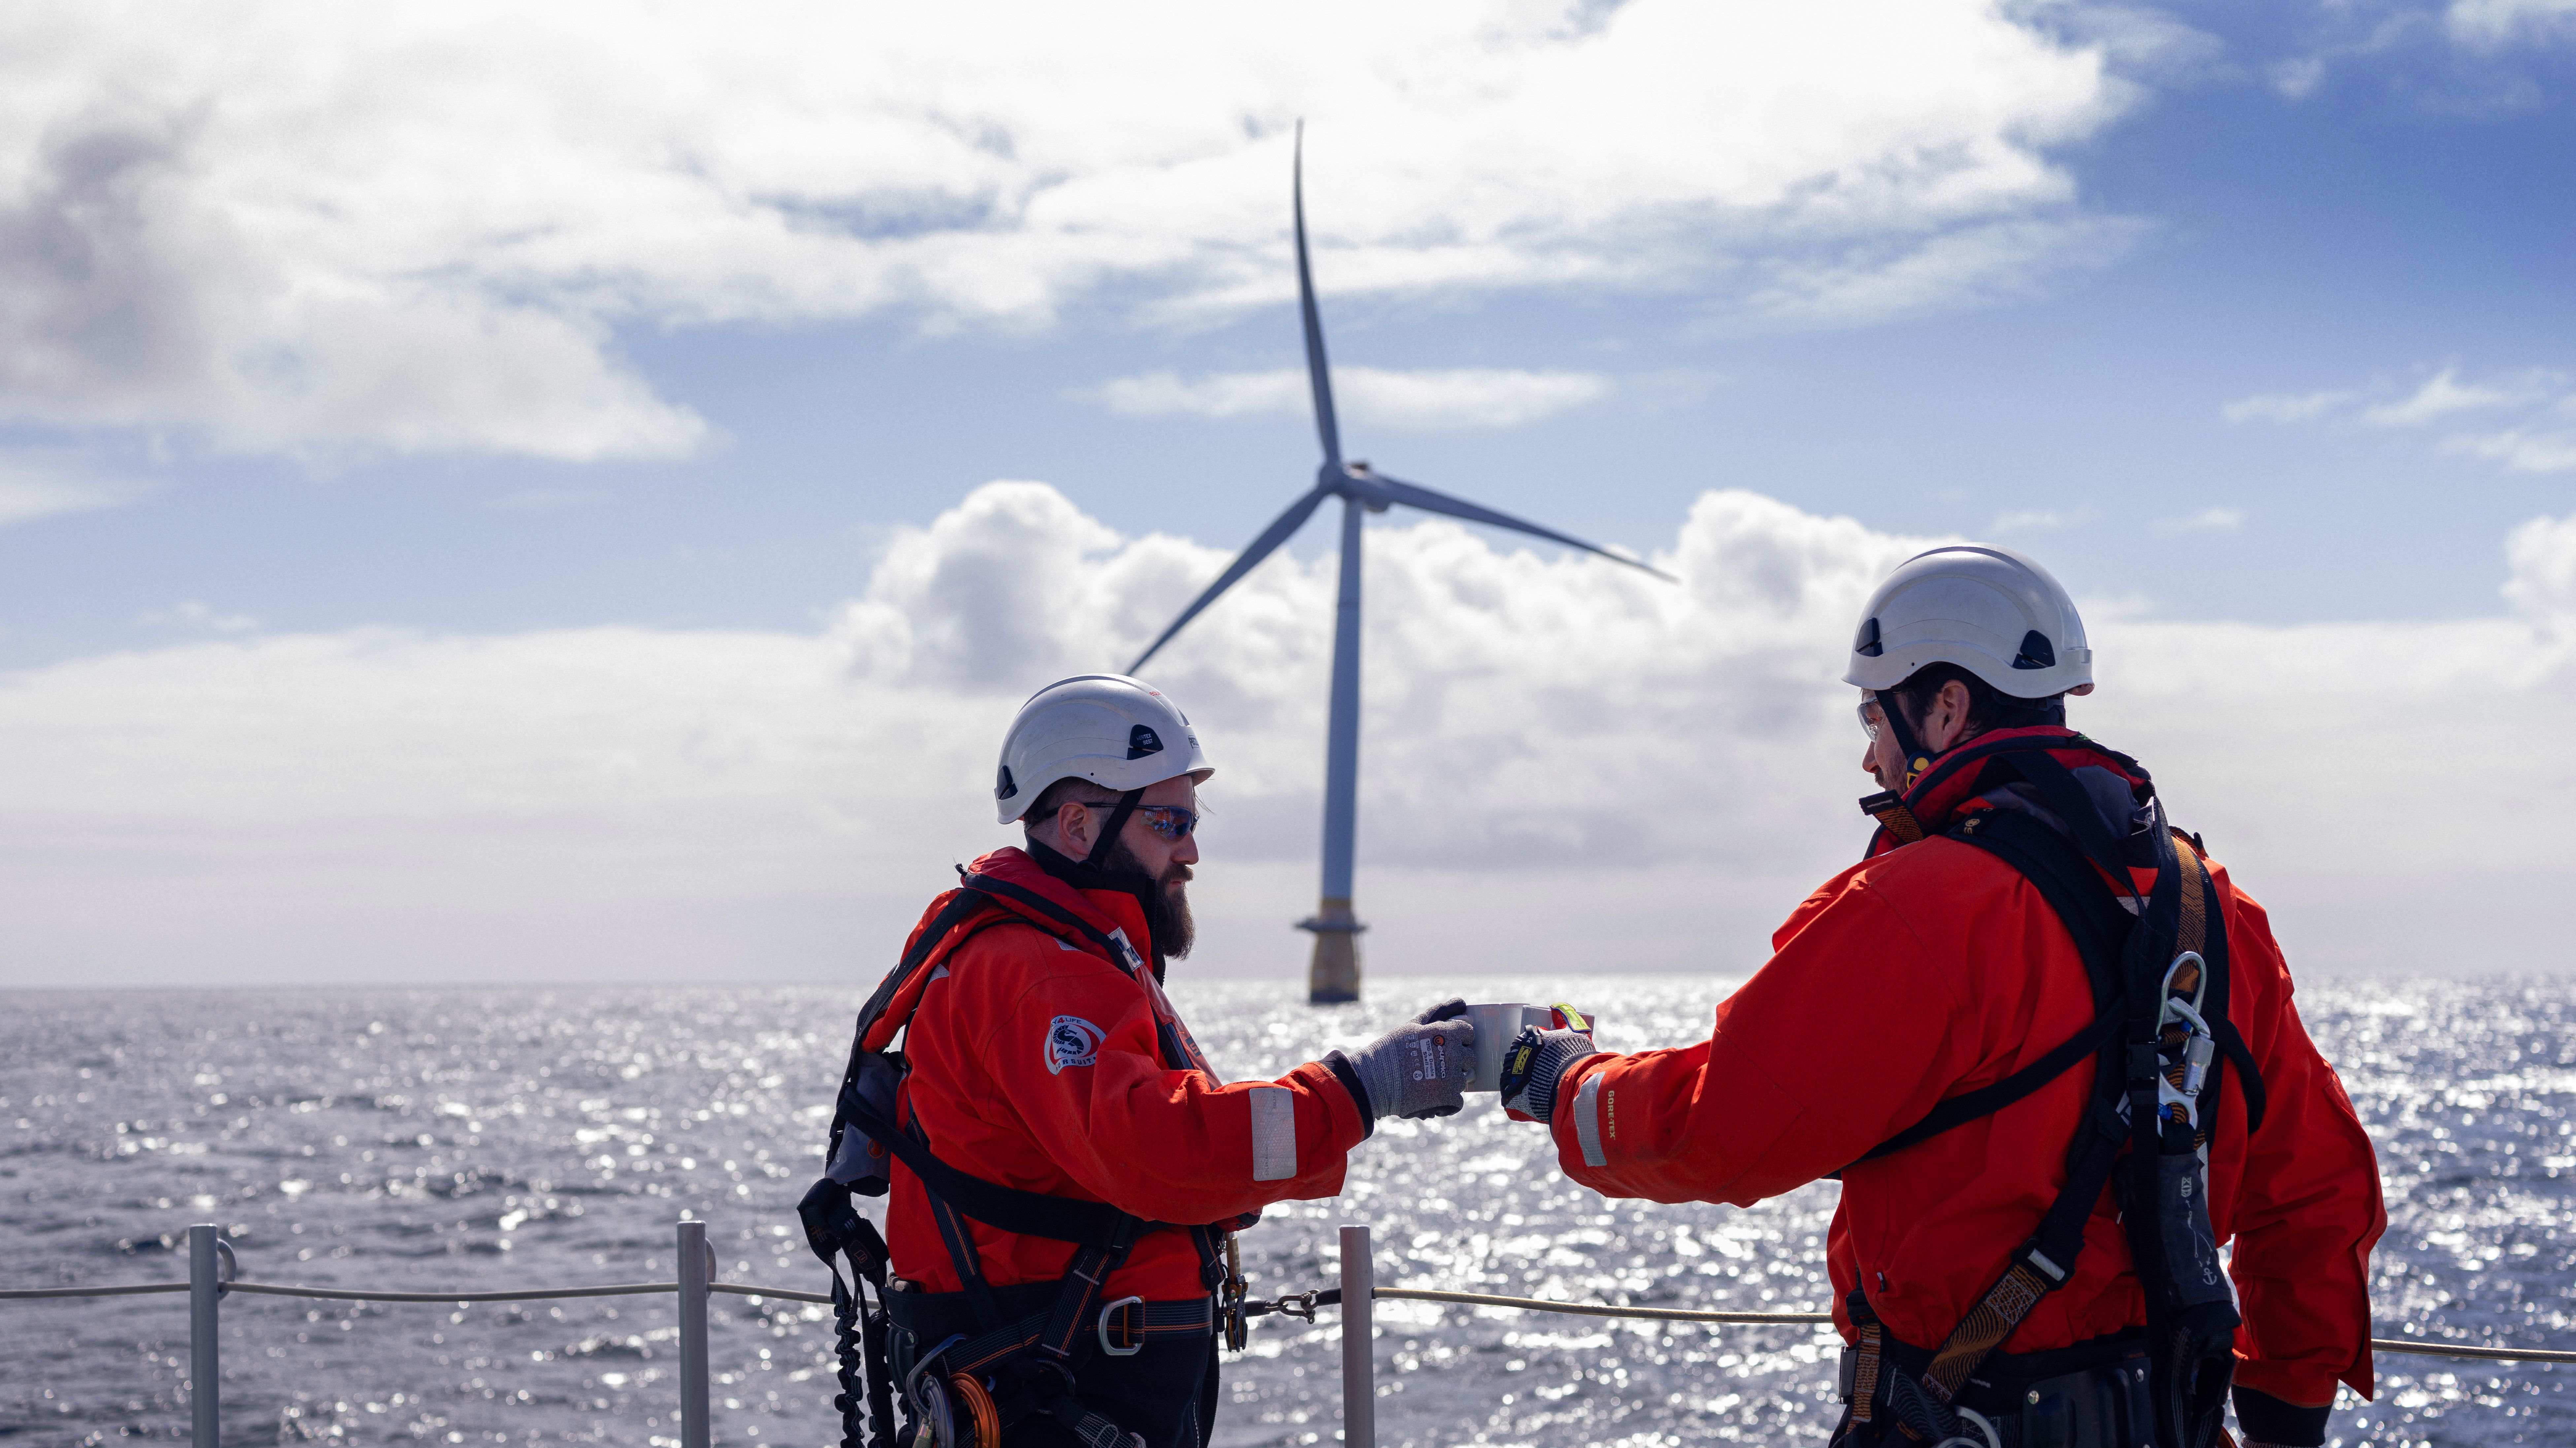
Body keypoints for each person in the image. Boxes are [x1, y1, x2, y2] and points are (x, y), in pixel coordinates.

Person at [1495, 545, 2384, 1448]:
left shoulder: (1915, 908)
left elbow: (1716, 1131)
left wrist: (1561, 1082)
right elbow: (2315, 1190)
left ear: (1945, 706)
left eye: (1873, 716)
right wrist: (2284, 1422)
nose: (1869, 753)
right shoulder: (2208, 905)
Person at [804, 674, 1473, 1448]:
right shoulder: (1043, 973)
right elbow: (1161, 1152)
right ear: (1080, 826)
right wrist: (1366, 1085)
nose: (1190, 849)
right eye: (1169, 820)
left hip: (1062, 1380)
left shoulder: (1069, 957)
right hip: (1055, 1392)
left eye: (1192, 820)